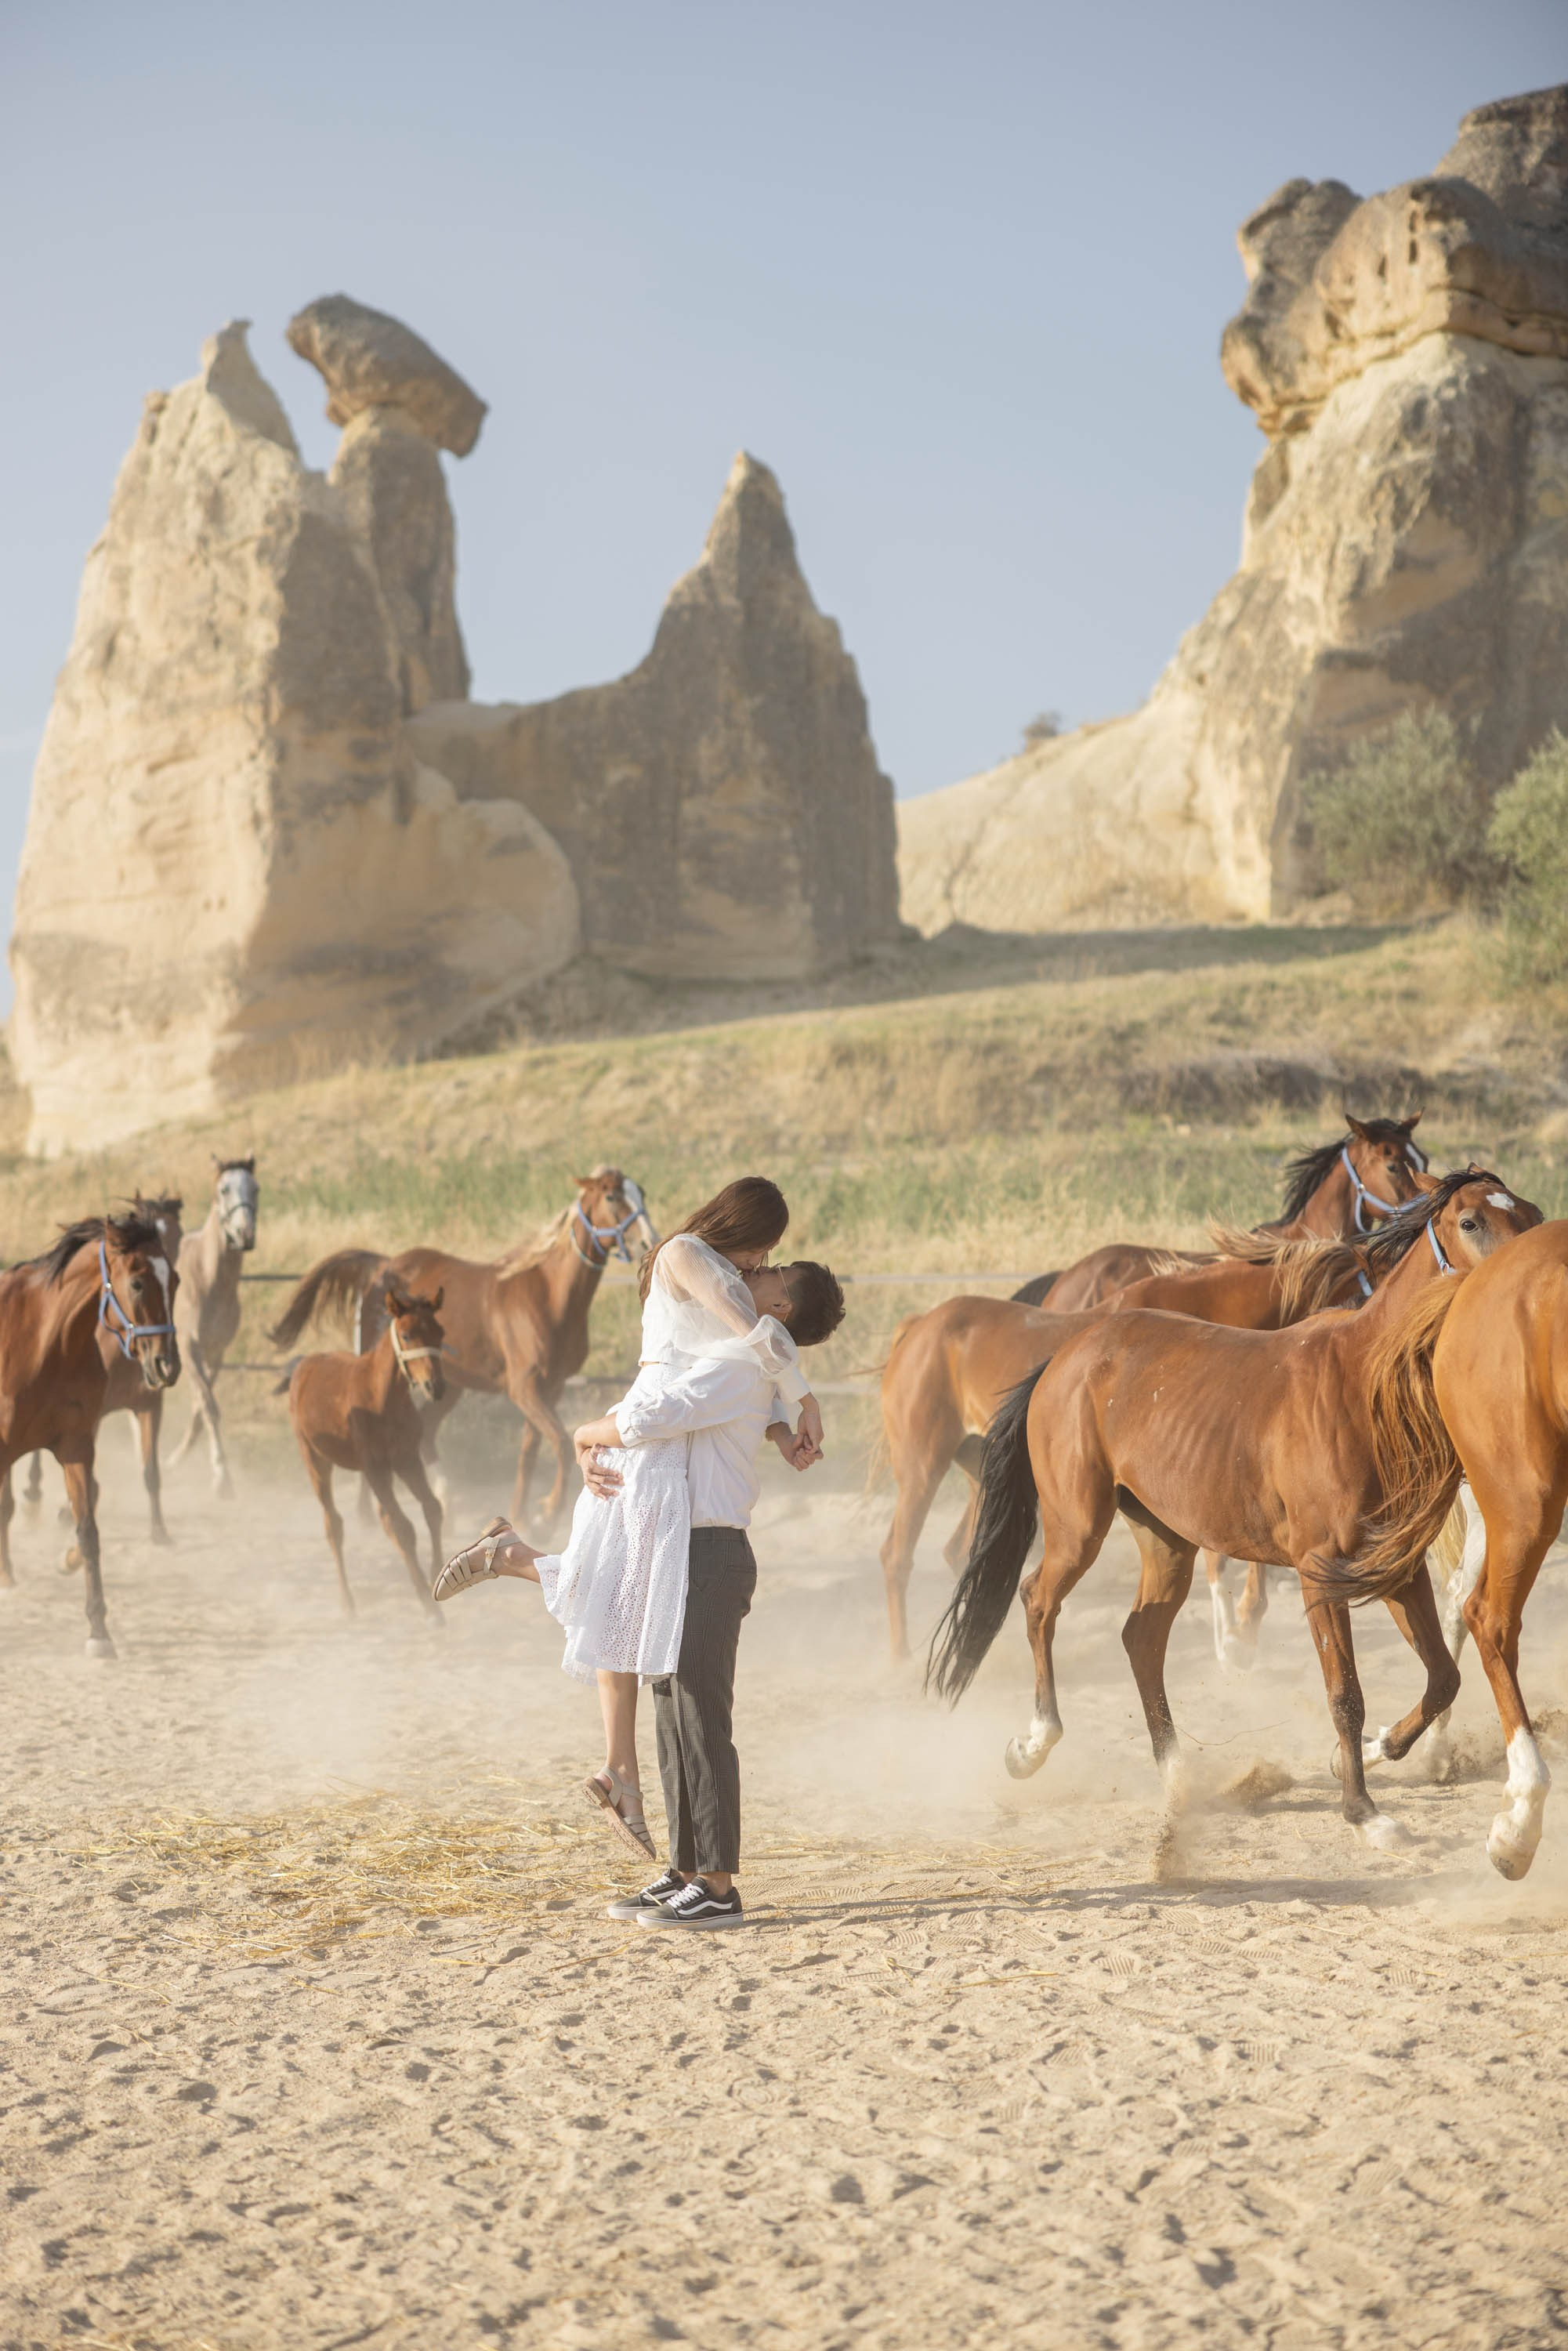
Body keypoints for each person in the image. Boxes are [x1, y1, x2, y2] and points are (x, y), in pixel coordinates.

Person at [433, 1178, 827, 1860]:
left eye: (772, 1262)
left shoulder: (725, 1278)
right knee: (615, 1596)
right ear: (742, 1227)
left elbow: (736, 1366)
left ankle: (621, 1768)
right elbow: (751, 1339)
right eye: (766, 1249)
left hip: (661, 1436)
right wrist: (804, 1396)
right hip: (647, 1433)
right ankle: (622, 1771)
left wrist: (778, 1423)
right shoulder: (686, 1256)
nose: (762, 1262)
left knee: (614, 1597)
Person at [585, 1255, 846, 1929]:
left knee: (701, 1721)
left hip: (708, 1551)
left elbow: (665, 1410)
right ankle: (684, 1869)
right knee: (673, 1718)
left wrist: (587, 1433)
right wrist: (785, 1424)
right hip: (685, 1547)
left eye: (773, 1273)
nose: (752, 1270)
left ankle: (720, 1888)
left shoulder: (739, 1361)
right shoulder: (738, 1355)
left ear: (779, 1308)